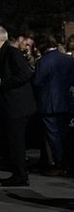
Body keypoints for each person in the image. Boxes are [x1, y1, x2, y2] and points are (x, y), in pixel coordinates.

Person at [0, 25, 37, 186]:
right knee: (13, 141)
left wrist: (2, 82)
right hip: (12, 105)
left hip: (17, 106)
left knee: (17, 142)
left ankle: (21, 175)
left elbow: (25, 74)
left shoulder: (12, 53)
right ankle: (18, 173)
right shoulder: (3, 54)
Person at [32, 34, 74, 174]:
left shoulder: (43, 61)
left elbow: (37, 82)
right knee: (64, 134)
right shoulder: (68, 60)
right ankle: (67, 162)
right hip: (65, 101)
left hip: (48, 103)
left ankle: (59, 163)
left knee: (53, 135)